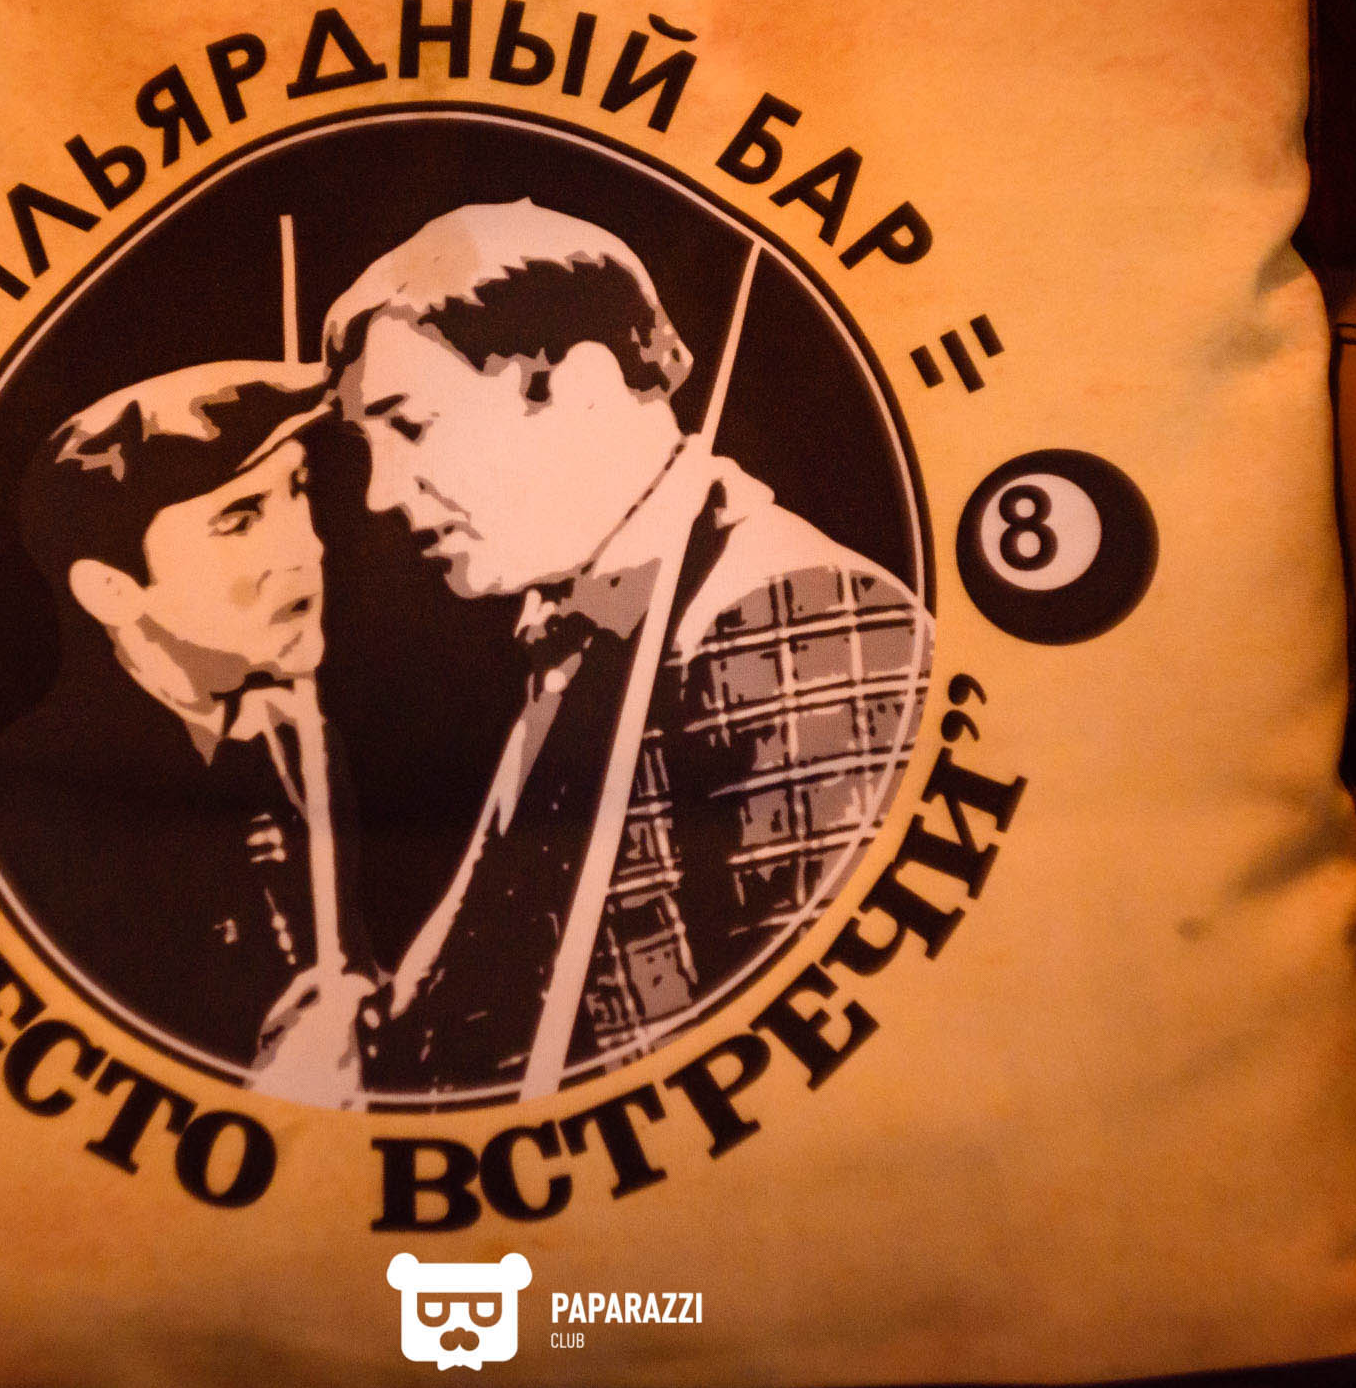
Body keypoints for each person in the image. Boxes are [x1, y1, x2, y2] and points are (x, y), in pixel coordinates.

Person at [323, 200, 930, 1095]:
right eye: (366, 446)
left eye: (410, 426)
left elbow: (822, 1057)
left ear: (582, 385)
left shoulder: (798, 614)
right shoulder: (581, 620)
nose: (380, 493)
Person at [0, 361, 372, 1102]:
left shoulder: (300, 741)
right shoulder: (15, 804)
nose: (306, 548)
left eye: (299, 489)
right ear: (111, 589)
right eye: (240, 518)